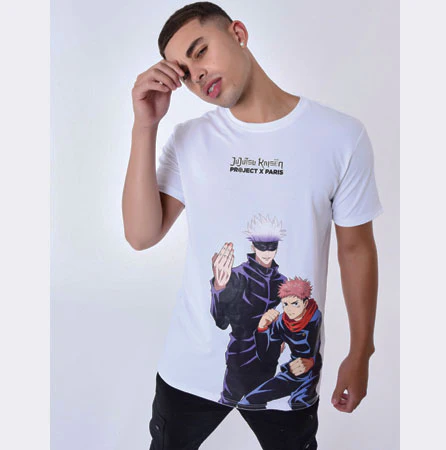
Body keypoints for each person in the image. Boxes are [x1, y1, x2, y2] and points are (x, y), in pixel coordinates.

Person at [122, 2, 383, 449]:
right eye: (185, 72)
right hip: (191, 366)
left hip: (286, 374)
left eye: (201, 51)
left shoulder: (340, 136)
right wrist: (144, 125)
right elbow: (141, 235)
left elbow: (356, 249)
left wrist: (361, 351)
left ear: (238, 33)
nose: (198, 74)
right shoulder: (191, 139)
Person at [210, 214, 287, 405]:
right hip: (240, 354)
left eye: (272, 246)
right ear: (253, 246)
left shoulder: (281, 281)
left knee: (259, 406)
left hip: (267, 355)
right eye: (261, 246)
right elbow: (221, 321)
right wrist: (220, 287)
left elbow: (291, 314)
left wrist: (281, 337)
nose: (267, 252)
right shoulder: (237, 276)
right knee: (227, 403)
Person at [238, 276, 323, 410]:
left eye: (295, 303)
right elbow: (268, 357)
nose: (289, 309)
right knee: (248, 401)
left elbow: (317, 346)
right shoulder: (282, 322)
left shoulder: (315, 317)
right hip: (292, 373)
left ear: (305, 303)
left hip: (311, 374)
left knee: (298, 403)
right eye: (285, 304)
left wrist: (311, 362)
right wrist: (262, 329)